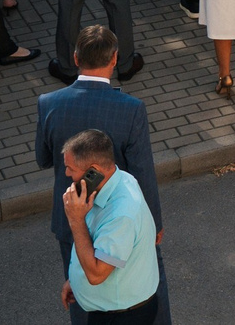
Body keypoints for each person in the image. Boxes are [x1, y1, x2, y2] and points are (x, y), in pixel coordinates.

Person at [37, 24, 168, 322]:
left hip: (71, 212)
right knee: (140, 285)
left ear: (74, 57)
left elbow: (43, 159)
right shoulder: (132, 108)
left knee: (80, 290)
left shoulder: (49, 104)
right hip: (116, 214)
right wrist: (154, 223)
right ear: (114, 59)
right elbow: (143, 170)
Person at [59, 127, 161, 323]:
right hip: (115, 309)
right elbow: (101, 245)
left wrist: (75, 219)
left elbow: (97, 274)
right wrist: (77, 281)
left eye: (71, 168)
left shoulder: (120, 215)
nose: (66, 173)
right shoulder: (121, 178)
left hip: (122, 317)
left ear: (93, 172)